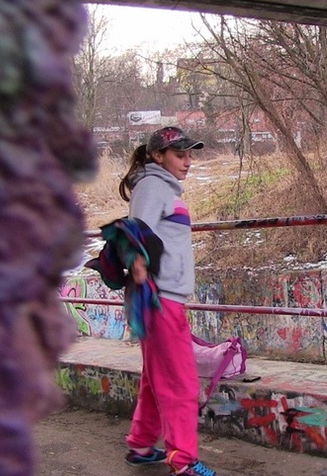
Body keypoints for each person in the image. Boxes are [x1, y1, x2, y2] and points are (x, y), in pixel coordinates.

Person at [117, 126, 217, 476]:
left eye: (190, 154)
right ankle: (184, 461)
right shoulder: (152, 185)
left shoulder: (160, 185)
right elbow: (134, 233)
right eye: (180, 155)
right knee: (181, 382)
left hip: (163, 296)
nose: (188, 161)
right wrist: (139, 267)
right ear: (158, 156)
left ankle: (142, 445)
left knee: (156, 376)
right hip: (161, 299)